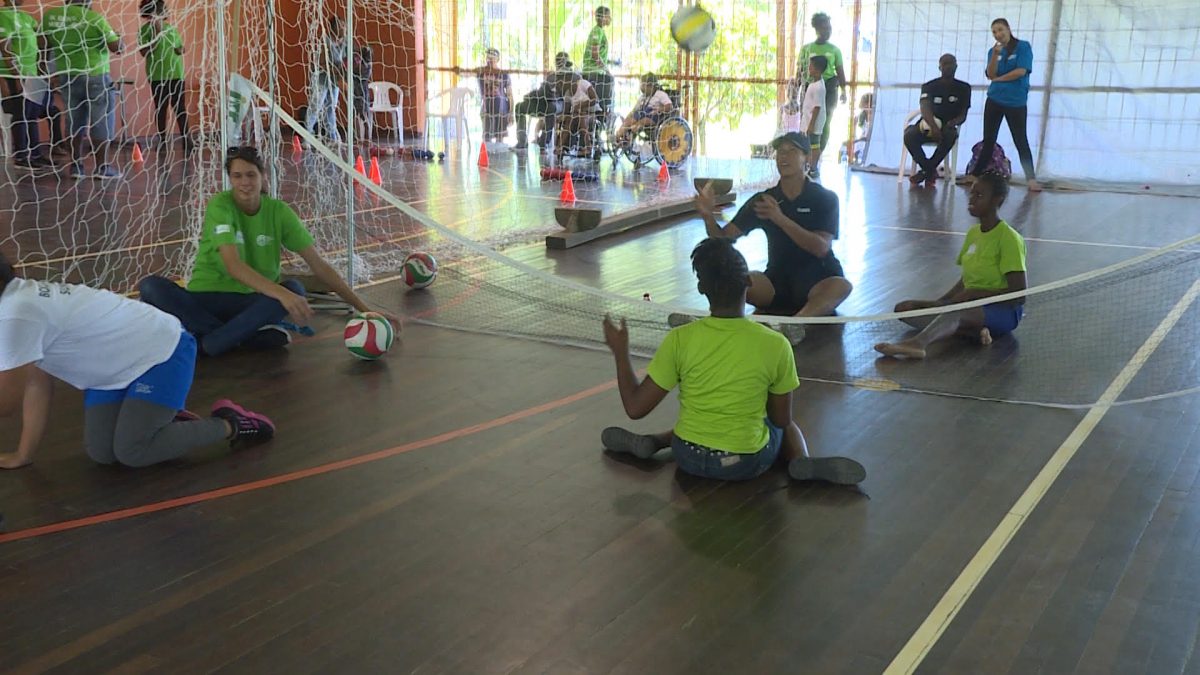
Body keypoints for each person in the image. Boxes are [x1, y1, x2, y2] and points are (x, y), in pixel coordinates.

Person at [599, 238, 865, 485]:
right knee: (779, 423)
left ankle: (654, 442)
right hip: (742, 463)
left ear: (702, 288)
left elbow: (635, 408)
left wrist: (620, 351)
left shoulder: (680, 339)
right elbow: (781, 419)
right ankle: (800, 461)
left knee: (702, 420)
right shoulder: (775, 343)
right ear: (749, 283)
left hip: (687, 456)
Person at [0, 253, 274, 471]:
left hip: (161, 351)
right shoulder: (16, 301)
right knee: (103, 454)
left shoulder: (16, 314)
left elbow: (6, 404)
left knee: (133, 451)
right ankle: (163, 418)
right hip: (112, 369)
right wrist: (23, 454)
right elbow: (37, 382)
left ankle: (233, 423)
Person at [138, 146, 398, 357]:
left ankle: (210, 341)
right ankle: (236, 338)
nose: (244, 182)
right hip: (206, 297)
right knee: (150, 286)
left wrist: (364, 309)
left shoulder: (279, 212)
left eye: (250, 175)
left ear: (263, 177)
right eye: (237, 176)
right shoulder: (221, 206)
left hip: (249, 301)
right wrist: (280, 294)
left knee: (294, 288)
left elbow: (318, 265)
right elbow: (233, 266)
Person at [680, 132, 852, 345]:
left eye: (792, 151)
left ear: (807, 158)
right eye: (780, 151)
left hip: (819, 280)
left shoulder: (824, 198)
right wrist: (707, 215)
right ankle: (710, 322)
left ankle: (794, 325)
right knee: (735, 279)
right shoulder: (764, 200)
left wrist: (780, 219)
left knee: (842, 286)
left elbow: (821, 248)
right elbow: (723, 239)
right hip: (776, 281)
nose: (783, 156)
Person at [875, 173, 1027, 359]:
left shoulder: (1009, 239)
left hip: (1002, 312)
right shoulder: (973, 234)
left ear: (997, 200)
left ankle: (918, 344)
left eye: (979, 196)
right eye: (971, 194)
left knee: (955, 312)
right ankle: (977, 332)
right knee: (905, 308)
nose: (971, 199)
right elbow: (966, 280)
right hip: (968, 306)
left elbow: (1019, 295)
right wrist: (940, 303)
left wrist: (975, 295)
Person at [39, 0, 124, 179]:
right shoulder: (95, 18)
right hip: (95, 75)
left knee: (73, 121)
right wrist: (118, 37)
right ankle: (102, 168)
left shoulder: (50, 17)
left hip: (67, 76)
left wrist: (45, 71)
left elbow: (42, 45)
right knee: (100, 121)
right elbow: (117, 48)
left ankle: (76, 166)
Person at [970, 18, 1040, 191]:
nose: (998, 34)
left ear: (1008, 29)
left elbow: (1020, 71)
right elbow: (990, 73)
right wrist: (994, 55)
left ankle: (1031, 179)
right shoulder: (993, 51)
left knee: (1020, 140)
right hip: (994, 99)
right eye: (994, 32)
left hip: (1015, 102)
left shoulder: (1023, 47)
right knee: (989, 139)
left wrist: (999, 79)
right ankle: (975, 174)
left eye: (1000, 30)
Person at [904, 53, 971, 187]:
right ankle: (929, 170)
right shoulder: (929, 86)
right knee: (909, 135)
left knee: (951, 135)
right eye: (945, 64)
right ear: (939, 67)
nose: (948, 67)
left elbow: (963, 115)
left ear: (956, 66)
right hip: (928, 124)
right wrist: (934, 127)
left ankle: (925, 172)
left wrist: (952, 124)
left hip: (948, 126)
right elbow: (924, 108)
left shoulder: (964, 88)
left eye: (951, 63)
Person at [0, 0, 50, 170]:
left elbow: (41, 38)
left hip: (32, 72)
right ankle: (21, 156)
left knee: (32, 114)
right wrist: (16, 76)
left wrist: (41, 64)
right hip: (15, 74)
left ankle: (35, 154)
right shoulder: (2, 16)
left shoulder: (26, 17)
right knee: (20, 113)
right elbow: (5, 49)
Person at [796, 12, 847, 177]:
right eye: (824, 28)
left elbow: (840, 73)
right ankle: (804, 159)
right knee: (806, 123)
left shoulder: (835, 50)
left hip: (828, 88)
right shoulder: (806, 49)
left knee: (823, 125)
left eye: (829, 28)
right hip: (809, 87)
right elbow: (799, 72)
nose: (828, 31)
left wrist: (844, 91)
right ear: (816, 28)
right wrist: (794, 94)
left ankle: (814, 162)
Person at [137, 0, 189, 151]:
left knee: (180, 108)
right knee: (161, 108)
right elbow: (144, 52)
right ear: (149, 14)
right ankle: (162, 140)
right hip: (157, 76)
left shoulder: (171, 28)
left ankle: (187, 140)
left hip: (176, 74)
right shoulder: (144, 31)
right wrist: (156, 34)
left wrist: (181, 49)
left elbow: (179, 47)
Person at [513, 51, 570, 150]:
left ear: (567, 62)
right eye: (557, 61)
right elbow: (543, 90)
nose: (559, 63)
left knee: (551, 107)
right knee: (520, 106)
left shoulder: (572, 76)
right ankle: (522, 141)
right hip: (544, 101)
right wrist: (533, 95)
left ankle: (544, 141)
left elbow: (571, 95)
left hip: (561, 103)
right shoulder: (551, 76)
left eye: (562, 61)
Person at [305, 17, 346, 144]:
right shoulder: (325, 42)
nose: (344, 29)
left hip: (334, 80)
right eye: (342, 26)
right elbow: (322, 63)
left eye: (345, 26)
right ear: (334, 28)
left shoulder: (343, 43)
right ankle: (307, 135)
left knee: (331, 108)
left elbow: (343, 63)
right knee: (315, 106)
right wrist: (336, 71)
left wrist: (343, 75)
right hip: (321, 78)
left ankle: (332, 136)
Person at [615, 72, 671, 148]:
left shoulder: (660, 94)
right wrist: (627, 118)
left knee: (641, 122)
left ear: (651, 86)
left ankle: (629, 137)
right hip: (641, 113)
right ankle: (617, 138)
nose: (641, 87)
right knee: (628, 122)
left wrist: (660, 109)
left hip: (654, 115)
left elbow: (669, 106)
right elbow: (634, 110)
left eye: (643, 85)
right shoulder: (643, 97)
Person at [553, 70, 598, 159]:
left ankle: (588, 147)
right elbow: (567, 111)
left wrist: (581, 105)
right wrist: (561, 117)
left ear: (569, 80)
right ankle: (560, 147)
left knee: (580, 116)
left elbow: (595, 100)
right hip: (576, 115)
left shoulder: (583, 84)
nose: (560, 84)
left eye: (562, 81)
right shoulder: (567, 94)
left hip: (592, 112)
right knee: (570, 118)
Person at [476, 48, 513, 143]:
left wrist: (511, 112)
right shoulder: (480, 73)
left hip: (501, 108)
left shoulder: (504, 74)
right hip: (487, 108)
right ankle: (488, 153)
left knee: (499, 138)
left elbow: (510, 94)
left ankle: (498, 154)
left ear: (498, 59)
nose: (490, 60)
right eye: (488, 57)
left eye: (493, 58)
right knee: (486, 137)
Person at [582, 6, 613, 115]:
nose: (610, 19)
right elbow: (595, 54)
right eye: (609, 16)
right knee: (610, 80)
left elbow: (599, 54)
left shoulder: (598, 31)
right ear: (604, 17)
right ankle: (604, 113)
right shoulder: (598, 31)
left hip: (589, 71)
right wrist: (606, 69)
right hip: (594, 73)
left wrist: (610, 62)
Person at [798, 55, 827, 161]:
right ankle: (808, 165)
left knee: (814, 145)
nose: (809, 68)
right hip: (808, 119)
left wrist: (811, 125)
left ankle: (813, 167)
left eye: (811, 66)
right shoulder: (814, 84)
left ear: (818, 70)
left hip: (813, 121)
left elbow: (817, 108)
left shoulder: (819, 87)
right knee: (807, 144)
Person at [351, 43, 372, 142]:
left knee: (363, 115)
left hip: (361, 92)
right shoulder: (360, 64)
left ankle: (367, 138)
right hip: (357, 91)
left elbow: (357, 71)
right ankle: (357, 137)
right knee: (356, 115)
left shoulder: (365, 66)